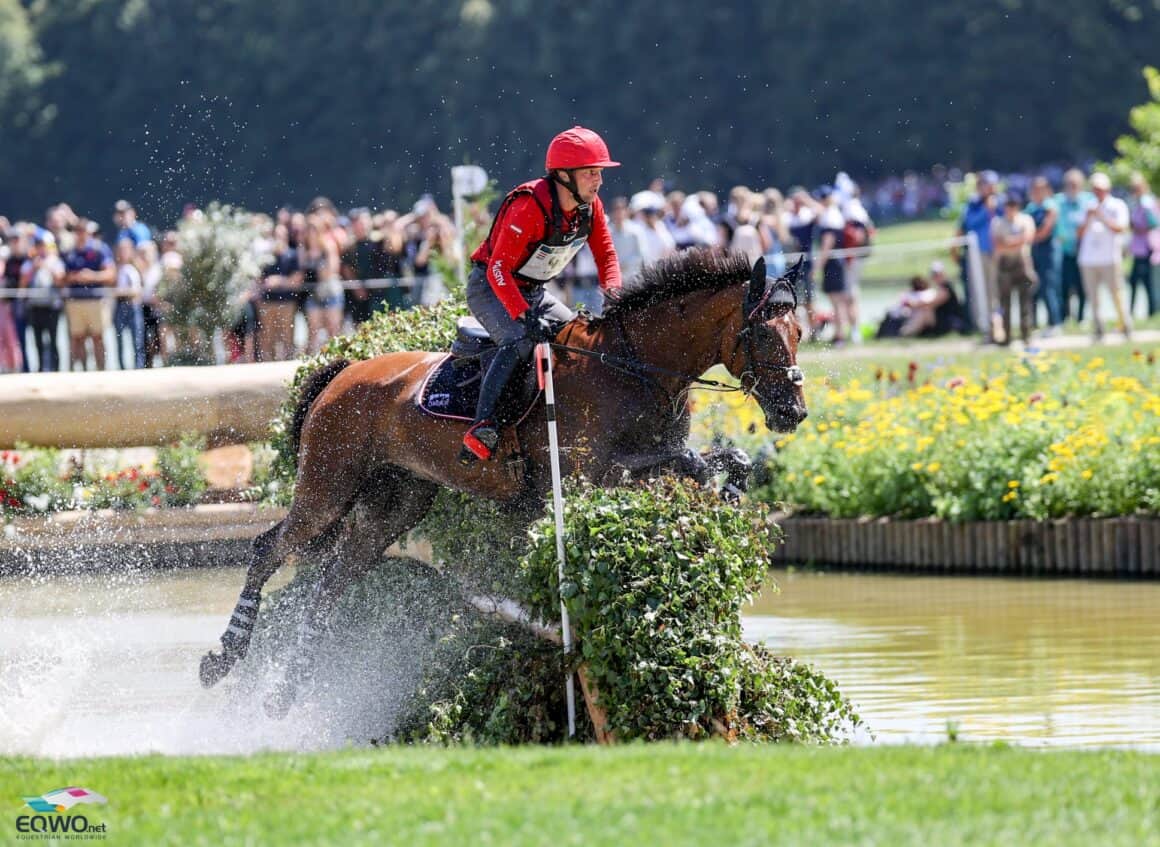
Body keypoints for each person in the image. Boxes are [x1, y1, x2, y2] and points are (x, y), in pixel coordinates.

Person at [460, 126, 622, 463]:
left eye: (599, 173)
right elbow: (498, 271)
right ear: (564, 175)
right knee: (521, 341)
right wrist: (522, 314)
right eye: (591, 173)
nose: (598, 181)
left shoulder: (591, 208)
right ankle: (482, 428)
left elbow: (606, 257)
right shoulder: (529, 207)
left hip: (533, 291)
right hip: (491, 289)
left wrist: (615, 298)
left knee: (578, 337)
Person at [1077, 172, 1131, 341]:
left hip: (1110, 258)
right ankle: (1098, 329)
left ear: (1107, 189)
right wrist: (1088, 217)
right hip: (1088, 259)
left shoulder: (1117, 205)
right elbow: (1079, 233)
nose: (1097, 192)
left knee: (1117, 294)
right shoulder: (1087, 206)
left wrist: (1101, 216)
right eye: (1095, 189)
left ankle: (1125, 326)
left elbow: (1121, 228)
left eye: (1100, 189)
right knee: (1093, 298)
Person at [62, 219, 115, 370]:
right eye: (77, 231)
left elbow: (111, 274)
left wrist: (92, 276)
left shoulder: (99, 249)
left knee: (97, 337)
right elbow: (61, 277)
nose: (80, 234)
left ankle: (101, 370)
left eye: (83, 231)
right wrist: (70, 277)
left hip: (95, 300)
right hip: (75, 300)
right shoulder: (69, 252)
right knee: (77, 338)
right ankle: (80, 371)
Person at [990, 193, 1038, 345]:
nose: (1010, 209)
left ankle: (1026, 335)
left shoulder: (1025, 220)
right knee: (1005, 303)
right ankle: (1007, 336)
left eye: (1013, 205)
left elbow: (1028, 238)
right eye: (1008, 205)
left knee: (1025, 302)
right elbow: (997, 244)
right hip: (1004, 265)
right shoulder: (997, 222)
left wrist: (1009, 242)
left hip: (1022, 264)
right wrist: (1016, 241)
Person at [1054, 169, 1092, 323]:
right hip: (1064, 250)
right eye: (1069, 184)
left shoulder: (1088, 200)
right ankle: (1064, 316)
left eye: (1075, 184)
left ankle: (1081, 317)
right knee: (1064, 285)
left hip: (1084, 250)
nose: (1072, 187)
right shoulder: (1058, 201)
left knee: (1082, 286)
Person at [1025, 176, 1061, 335]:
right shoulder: (1031, 209)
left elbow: (1045, 231)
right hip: (1034, 252)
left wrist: (1025, 239)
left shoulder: (1050, 207)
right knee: (1032, 287)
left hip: (1048, 252)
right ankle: (1031, 324)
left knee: (1048, 287)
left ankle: (1054, 323)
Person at [1126, 172, 1158, 317]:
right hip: (1138, 249)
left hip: (1147, 247)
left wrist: (1139, 229)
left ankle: (1152, 311)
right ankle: (1133, 312)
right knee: (1134, 281)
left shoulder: (1146, 203)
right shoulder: (1136, 203)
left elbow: (1154, 223)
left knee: (1147, 282)